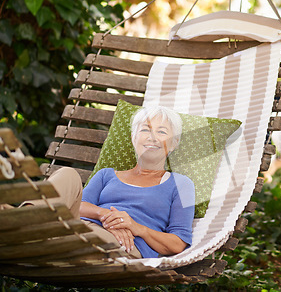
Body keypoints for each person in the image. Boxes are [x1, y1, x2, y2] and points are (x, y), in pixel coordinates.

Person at [7, 106, 195, 258]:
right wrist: (105, 215)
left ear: (173, 143)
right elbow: (77, 205)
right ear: (133, 137)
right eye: (145, 129)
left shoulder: (181, 185)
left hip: (124, 245)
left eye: (162, 132)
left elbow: (177, 243)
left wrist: (136, 227)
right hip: (82, 227)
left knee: (78, 235)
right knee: (68, 174)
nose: (152, 136)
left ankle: (26, 230)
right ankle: (21, 221)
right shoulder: (107, 175)